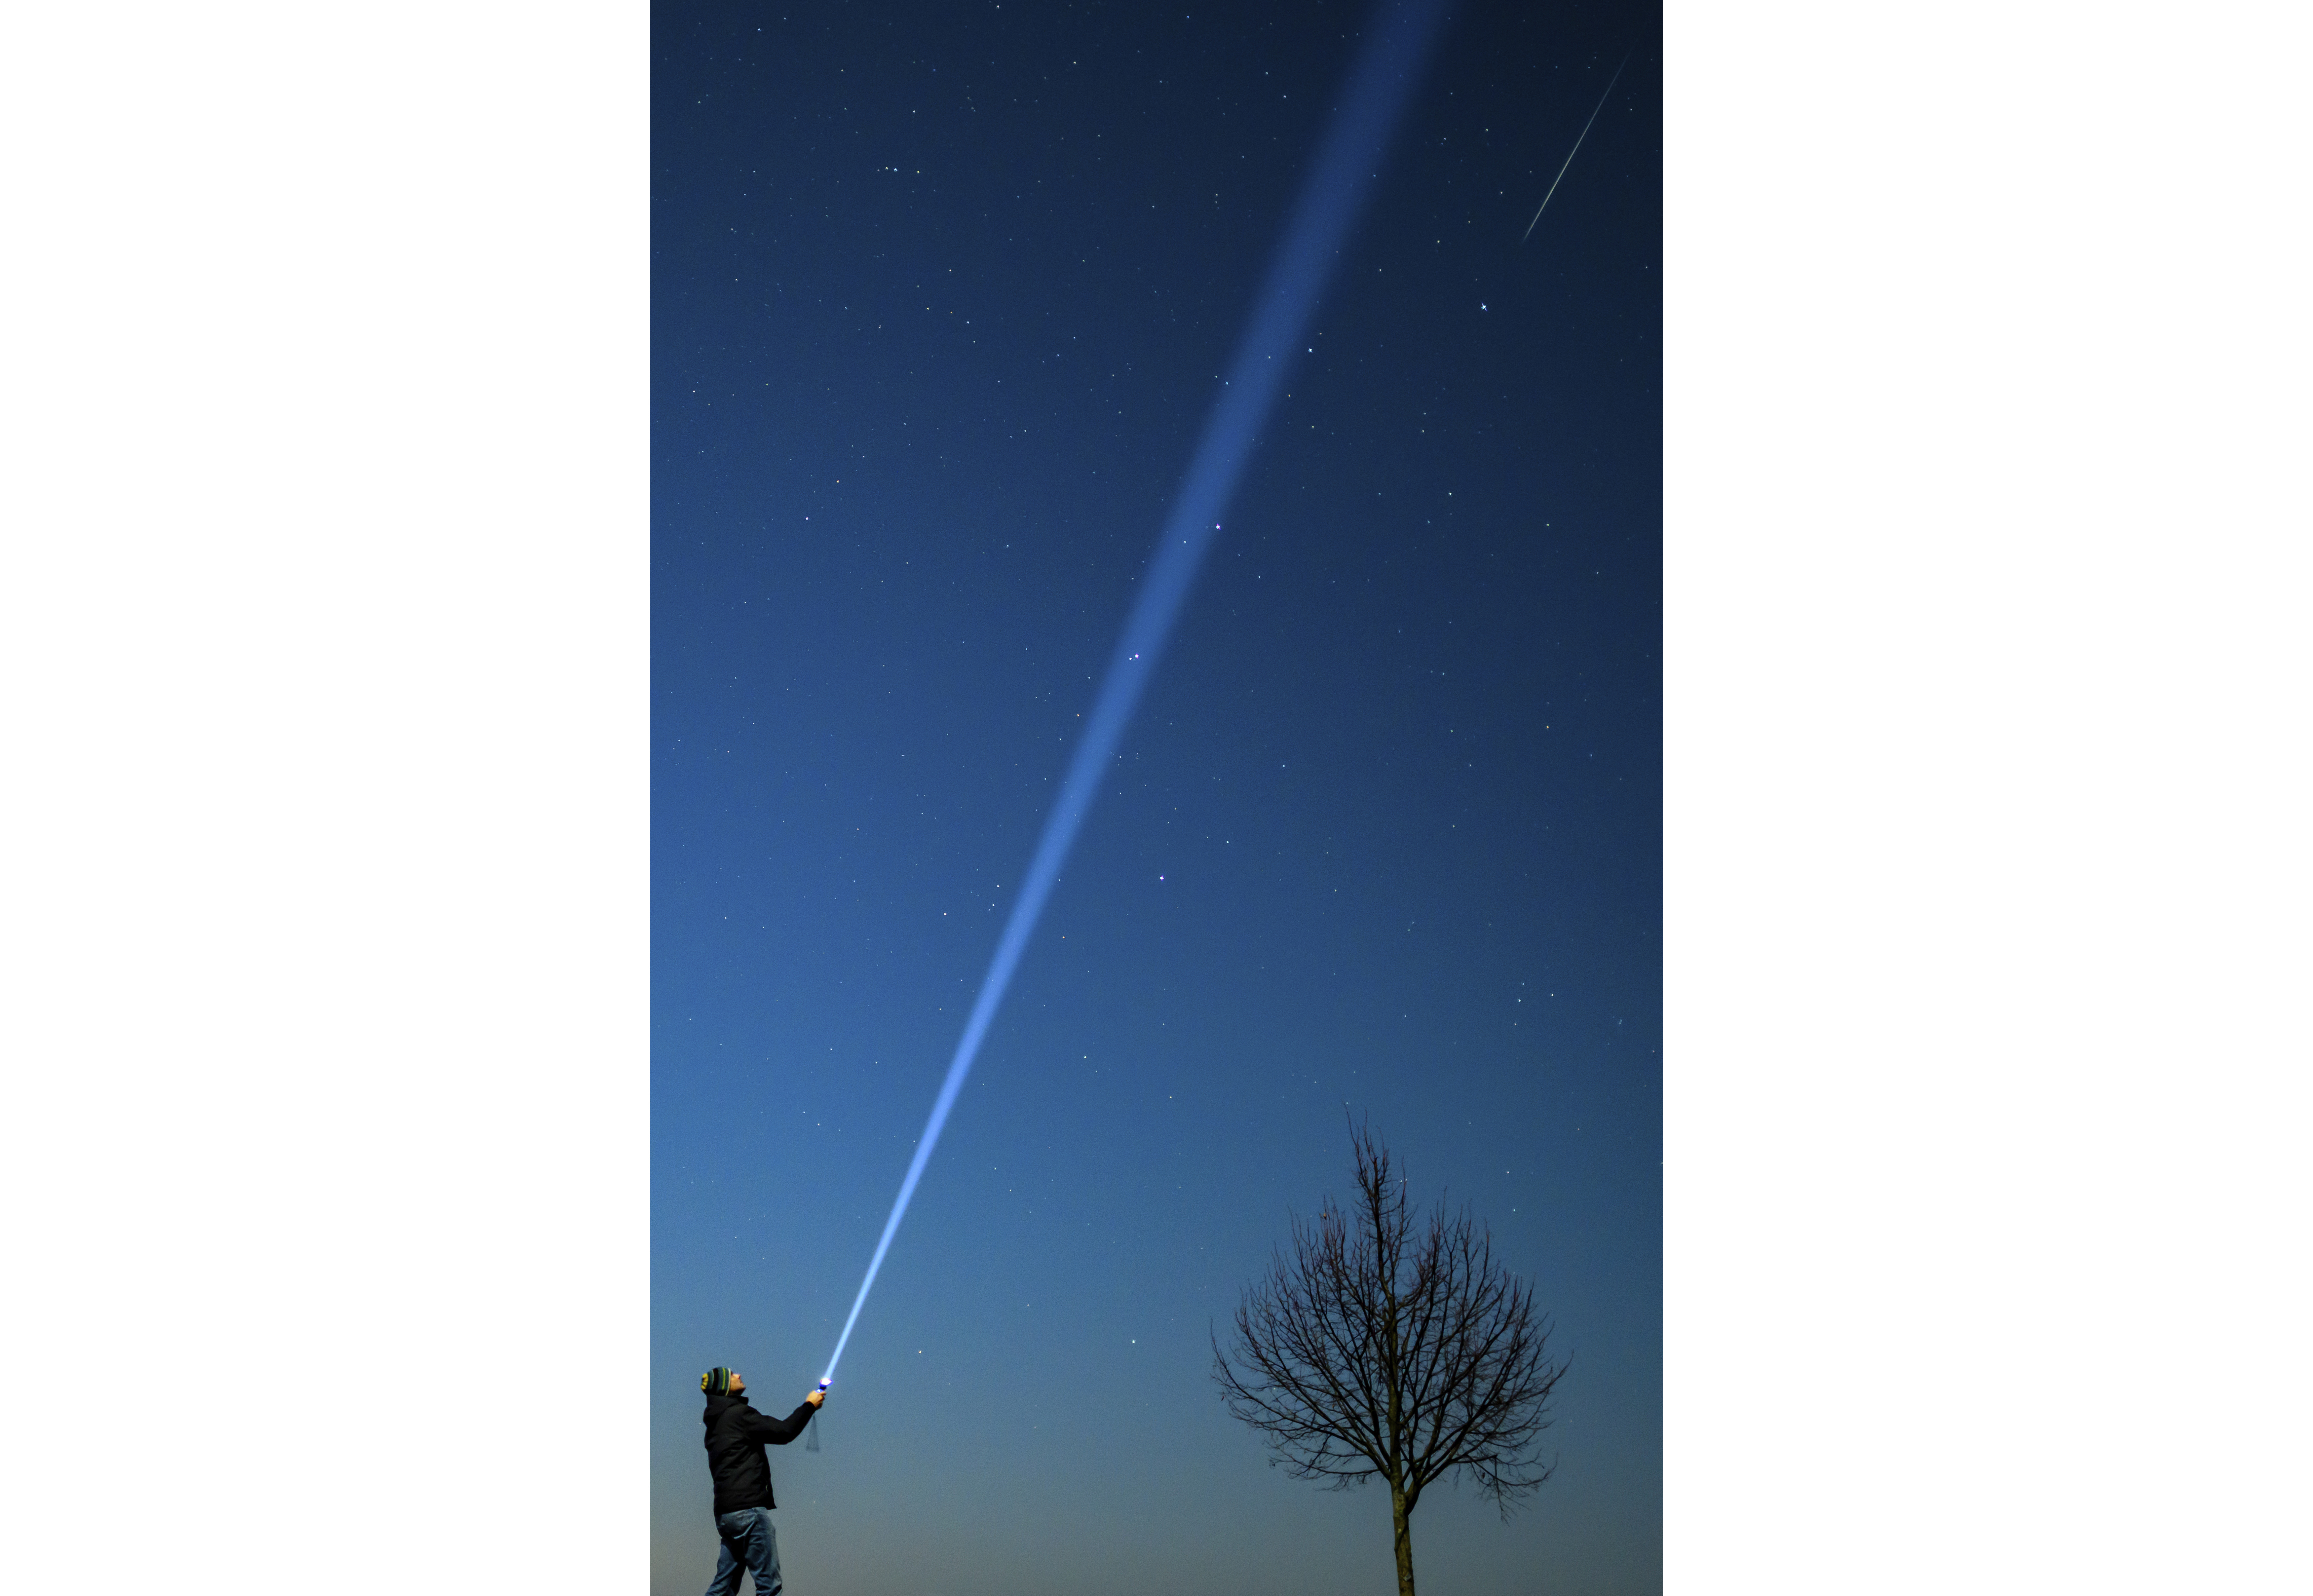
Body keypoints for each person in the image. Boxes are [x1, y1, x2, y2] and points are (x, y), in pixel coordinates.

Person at [700, 1366, 825, 1596]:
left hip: (727, 1516)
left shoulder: (716, 1424)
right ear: (725, 1386)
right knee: (769, 1587)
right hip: (749, 1513)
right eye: (732, 1375)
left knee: (723, 1588)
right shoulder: (738, 1415)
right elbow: (784, 1431)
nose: (739, 1375)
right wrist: (809, 1405)